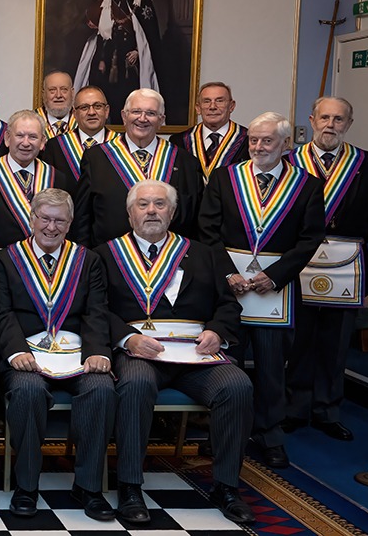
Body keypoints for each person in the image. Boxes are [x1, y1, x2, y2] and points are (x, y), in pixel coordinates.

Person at [97, 179, 256, 525]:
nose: (151, 211)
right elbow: (96, 310)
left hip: (197, 354)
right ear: (129, 213)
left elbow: (228, 306)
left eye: (159, 204)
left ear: (173, 212)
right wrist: (127, 338)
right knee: (135, 386)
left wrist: (217, 331)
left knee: (237, 386)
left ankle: (226, 486)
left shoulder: (204, 253)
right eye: (143, 205)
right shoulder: (105, 254)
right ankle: (129, 486)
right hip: (141, 352)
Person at [199, 112, 325, 470]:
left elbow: (309, 239)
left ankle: (270, 436)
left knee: (271, 368)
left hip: (275, 291)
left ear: (285, 144)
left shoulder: (307, 186)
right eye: (253, 140)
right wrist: (225, 273)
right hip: (228, 290)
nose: (258, 147)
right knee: (225, 366)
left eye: (267, 140)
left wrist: (276, 275)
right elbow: (208, 231)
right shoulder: (226, 178)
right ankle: (222, 434)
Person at [0, 188, 114, 520]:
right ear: (31, 219)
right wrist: (16, 350)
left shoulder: (88, 261)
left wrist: (98, 353)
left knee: (101, 389)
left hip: (76, 355)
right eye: (44, 218)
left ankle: (88, 486)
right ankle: (26, 486)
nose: (51, 227)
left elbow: (96, 312)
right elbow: (2, 313)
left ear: (70, 222)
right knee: (27, 390)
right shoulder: (6, 259)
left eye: (59, 220)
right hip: (26, 355)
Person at [284, 97, 368, 441]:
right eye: (324, 117)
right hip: (299, 260)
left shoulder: (367, 163)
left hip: (346, 262)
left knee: (336, 339)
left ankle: (327, 409)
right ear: (312, 120)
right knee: (301, 338)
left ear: (349, 124)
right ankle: (296, 407)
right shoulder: (289, 160)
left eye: (338, 119)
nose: (330, 124)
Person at [73, 88, 202, 247]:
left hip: (172, 260)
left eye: (151, 113)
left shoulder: (186, 162)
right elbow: (82, 218)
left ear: (161, 120)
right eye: (136, 111)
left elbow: (195, 220)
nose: (142, 118)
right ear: (124, 116)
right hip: (110, 260)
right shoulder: (96, 158)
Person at [0, 110, 75, 250]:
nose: (26, 143)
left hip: (45, 263)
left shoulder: (58, 178)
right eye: (19, 135)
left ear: (42, 142)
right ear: (7, 138)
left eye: (33, 137)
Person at [75, 0, 161, 124]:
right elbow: (100, 33)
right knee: (108, 96)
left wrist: (137, 51)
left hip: (130, 62)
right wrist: (101, 58)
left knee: (129, 98)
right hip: (110, 60)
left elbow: (149, 32)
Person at [40, 85, 121, 184]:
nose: (91, 112)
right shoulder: (56, 146)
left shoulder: (121, 143)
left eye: (98, 106)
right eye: (84, 107)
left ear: (106, 111)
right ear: (75, 114)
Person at [169, 82, 250, 180]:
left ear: (231, 106)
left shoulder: (249, 139)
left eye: (219, 101)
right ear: (198, 108)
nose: (212, 107)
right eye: (206, 101)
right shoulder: (179, 141)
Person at [36, 71, 78, 139]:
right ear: (43, 94)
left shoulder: (82, 120)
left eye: (64, 90)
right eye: (52, 90)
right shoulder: (32, 120)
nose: (58, 95)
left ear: (72, 93)